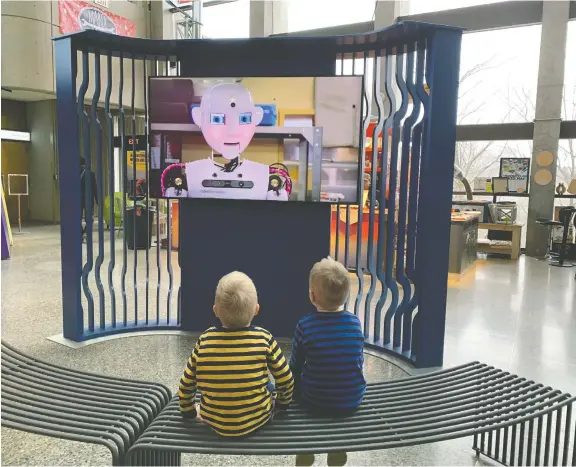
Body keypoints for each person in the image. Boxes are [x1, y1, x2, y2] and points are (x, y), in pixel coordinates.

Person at [178, 271, 294, 436]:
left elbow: (186, 385)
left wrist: (189, 412)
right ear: (256, 310)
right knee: (268, 384)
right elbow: (286, 379)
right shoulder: (264, 338)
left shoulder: (205, 340)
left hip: (213, 419)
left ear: (215, 310)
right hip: (258, 419)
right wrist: (281, 405)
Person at [290, 257, 366, 466]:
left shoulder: (305, 326)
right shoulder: (354, 323)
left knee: (302, 389)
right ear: (346, 294)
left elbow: (294, 367)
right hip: (351, 399)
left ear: (312, 296)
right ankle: (337, 449)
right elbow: (358, 361)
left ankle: (305, 449)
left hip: (315, 401)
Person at [80, 157, 98, 240]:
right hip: (88, 200)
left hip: (77, 200)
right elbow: (95, 188)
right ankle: (86, 233)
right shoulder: (91, 174)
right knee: (89, 219)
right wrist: (98, 201)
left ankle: (80, 234)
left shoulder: (73, 174)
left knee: (77, 219)